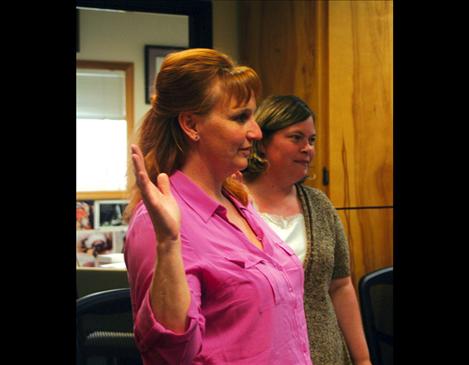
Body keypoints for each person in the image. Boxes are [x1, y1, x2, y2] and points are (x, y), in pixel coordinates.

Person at [123, 49, 313, 364]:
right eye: (240, 117)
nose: (256, 131)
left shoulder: (238, 200)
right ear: (191, 124)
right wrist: (168, 244)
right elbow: (168, 356)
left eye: (253, 116)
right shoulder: (159, 222)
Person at [242, 95, 372, 365]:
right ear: (263, 142)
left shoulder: (319, 206)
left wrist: (362, 359)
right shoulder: (233, 204)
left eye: (311, 140)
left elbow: (341, 285)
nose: (307, 149)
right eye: (296, 137)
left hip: (326, 355)